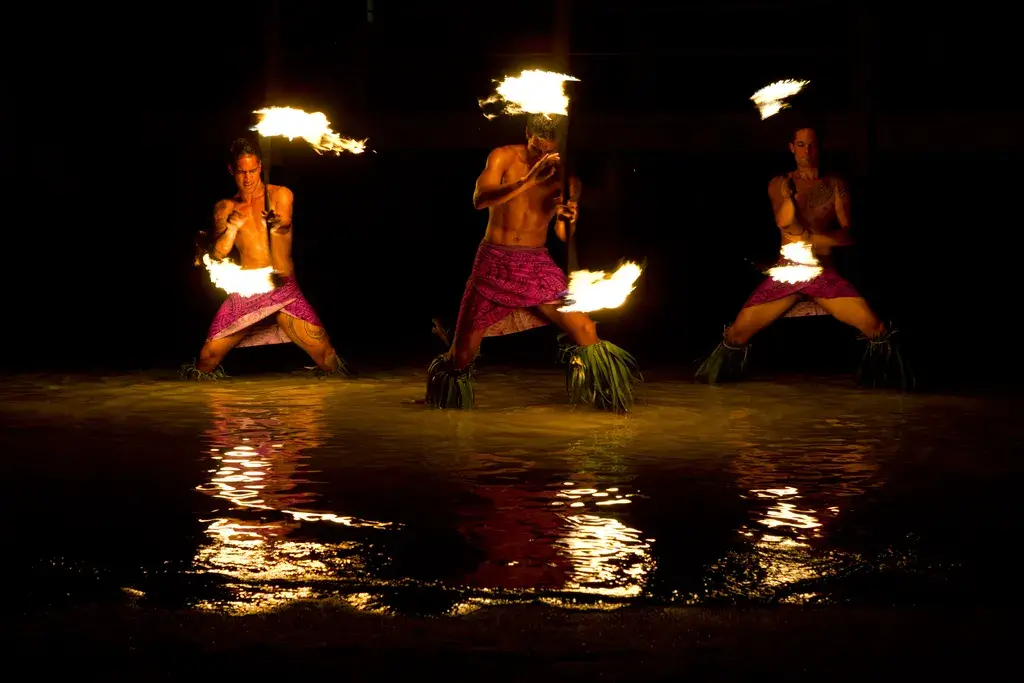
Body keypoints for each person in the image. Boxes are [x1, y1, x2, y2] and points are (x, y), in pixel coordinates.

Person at [425, 114, 640, 411]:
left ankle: (610, 403)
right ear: (527, 133)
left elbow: (563, 234)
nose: (542, 156)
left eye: (549, 150)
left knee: (585, 329)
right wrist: (528, 181)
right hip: (494, 262)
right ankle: (443, 404)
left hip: (535, 265)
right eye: (537, 149)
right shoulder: (502, 156)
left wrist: (568, 218)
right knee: (461, 356)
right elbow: (480, 199)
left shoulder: (566, 178)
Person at [695, 124, 911, 389]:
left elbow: (848, 234)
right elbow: (784, 223)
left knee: (876, 327)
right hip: (788, 273)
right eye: (800, 145)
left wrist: (820, 239)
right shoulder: (780, 183)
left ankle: (888, 383)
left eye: (812, 145)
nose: (807, 151)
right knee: (736, 334)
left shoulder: (835, 185)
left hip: (821, 273)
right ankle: (717, 381)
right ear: (791, 148)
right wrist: (789, 198)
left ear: (820, 148)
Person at [180, 138, 347, 380]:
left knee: (327, 357)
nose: (248, 178)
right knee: (206, 359)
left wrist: (276, 222)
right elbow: (218, 255)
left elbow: (285, 221)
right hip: (248, 290)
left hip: (282, 287)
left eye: (252, 170)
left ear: (259, 166)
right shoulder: (225, 208)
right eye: (242, 172)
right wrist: (232, 229)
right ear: (231, 170)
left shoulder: (280, 194)